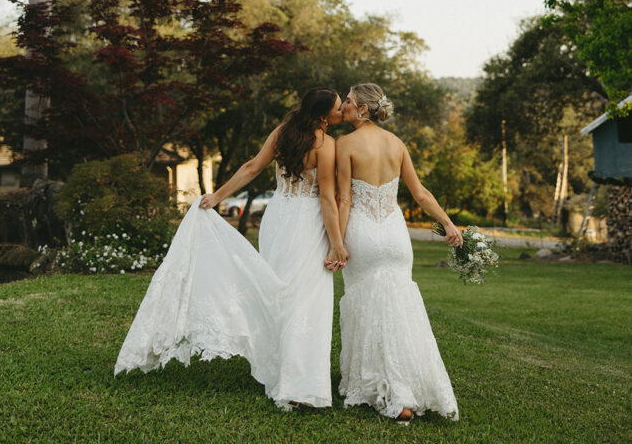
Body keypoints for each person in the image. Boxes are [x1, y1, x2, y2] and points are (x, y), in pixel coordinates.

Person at [115, 87, 347, 411]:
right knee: (306, 300)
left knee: (277, 294)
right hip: (307, 224)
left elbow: (252, 167)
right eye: (339, 107)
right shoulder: (327, 144)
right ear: (323, 115)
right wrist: (337, 244)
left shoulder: (283, 133)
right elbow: (325, 197)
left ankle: (282, 371)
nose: (343, 111)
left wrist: (218, 195)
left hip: (278, 219)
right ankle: (300, 385)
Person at [334, 83, 460, 424]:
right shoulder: (397, 144)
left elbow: (344, 200)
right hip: (394, 235)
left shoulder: (344, 145)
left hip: (363, 233)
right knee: (400, 309)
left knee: (368, 308)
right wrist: (448, 224)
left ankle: (388, 391)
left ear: (362, 108)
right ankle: (412, 386)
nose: (342, 105)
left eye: (347, 101)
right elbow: (419, 193)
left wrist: (338, 243)